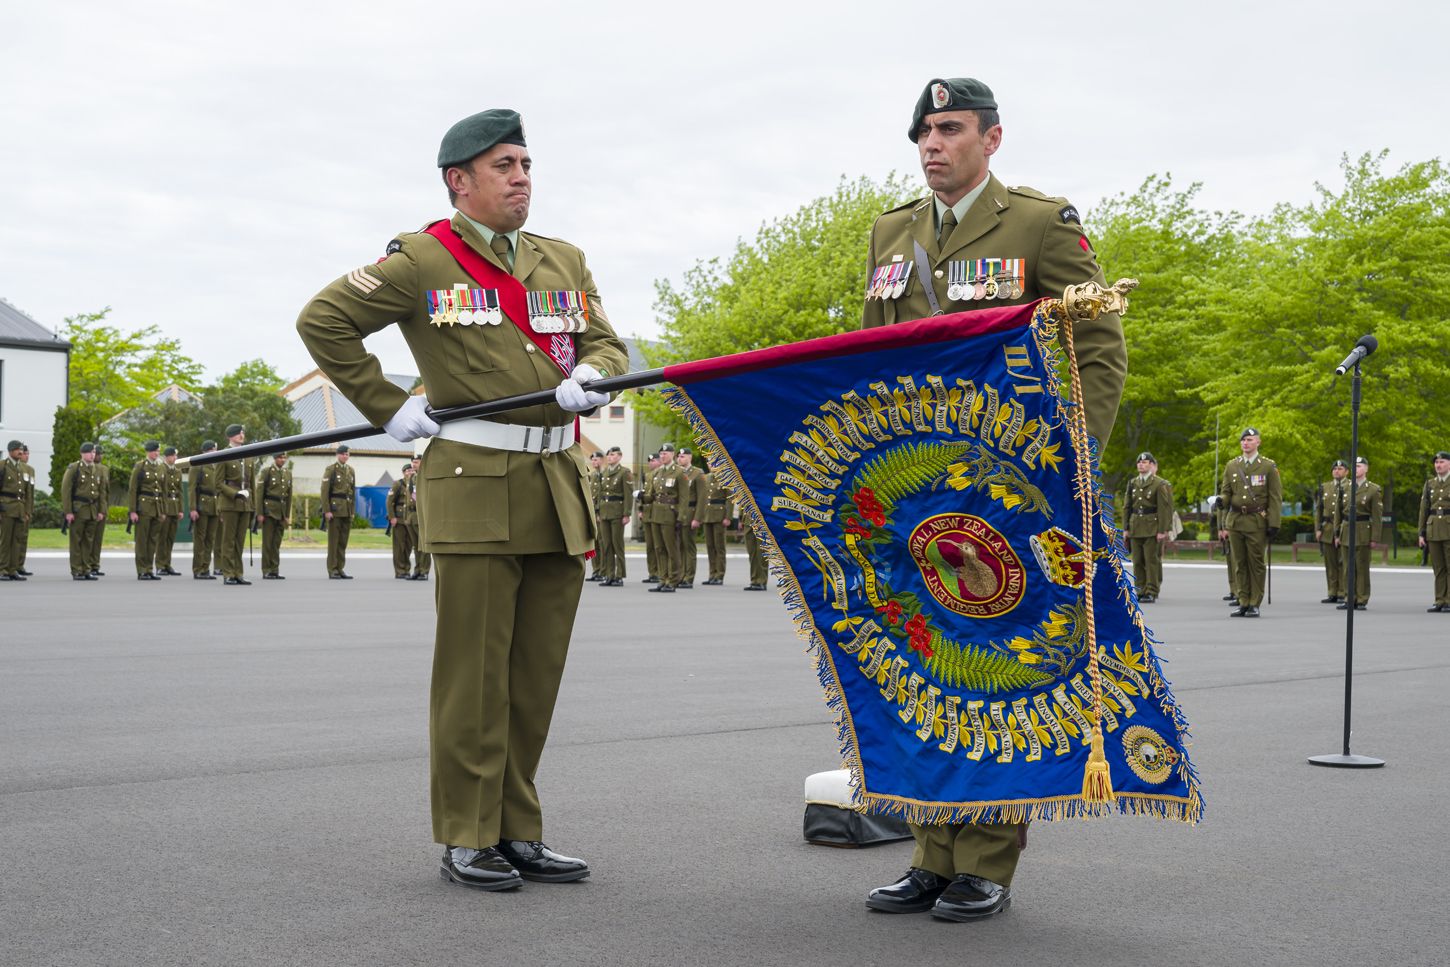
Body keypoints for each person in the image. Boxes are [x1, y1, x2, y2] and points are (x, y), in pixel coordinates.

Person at [295, 108, 628, 890]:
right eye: (504, 165)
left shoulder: (562, 258)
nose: (521, 178)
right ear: (460, 180)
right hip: (475, 483)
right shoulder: (422, 259)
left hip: (556, 483)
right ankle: (468, 833)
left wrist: (595, 374)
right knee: (474, 679)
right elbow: (324, 320)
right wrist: (385, 404)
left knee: (533, 678)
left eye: (526, 164)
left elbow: (605, 341)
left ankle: (517, 828)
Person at [859, 77, 1127, 924]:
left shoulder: (1040, 224)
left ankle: (984, 862)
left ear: (992, 138)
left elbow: (1099, 348)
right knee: (923, 667)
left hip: (1010, 491)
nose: (931, 145)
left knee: (994, 671)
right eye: (923, 133)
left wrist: (1070, 463)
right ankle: (930, 851)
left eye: (949, 129)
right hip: (913, 488)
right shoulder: (890, 231)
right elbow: (871, 354)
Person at [1218, 428, 1281, 618]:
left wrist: (1274, 523)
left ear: (1258, 442)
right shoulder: (1232, 465)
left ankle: (1254, 603)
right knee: (1239, 563)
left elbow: (1275, 497)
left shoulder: (1268, 466)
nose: (1246, 443)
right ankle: (1243, 601)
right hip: (1235, 521)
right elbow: (1226, 491)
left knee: (1256, 563)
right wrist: (1221, 500)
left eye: (1250, 440)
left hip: (1256, 521)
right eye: (1243, 440)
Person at [1122, 452, 1172, 603]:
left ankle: (1151, 590)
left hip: (1152, 527)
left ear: (1151, 465)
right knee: (1137, 560)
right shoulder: (1133, 483)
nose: (1141, 465)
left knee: (1151, 560)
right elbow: (1127, 507)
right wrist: (1126, 528)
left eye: (1144, 462)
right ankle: (1140, 590)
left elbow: (1163, 508)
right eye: (1139, 462)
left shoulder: (1159, 483)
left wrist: (1162, 530)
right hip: (1135, 526)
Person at [1333, 456, 1381, 611]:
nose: (1356, 469)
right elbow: (1338, 513)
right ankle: (1349, 598)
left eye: (1359, 466)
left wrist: (1375, 538)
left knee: (1361, 567)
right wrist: (1336, 534)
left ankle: (1361, 599)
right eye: (1354, 466)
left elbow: (1377, 516)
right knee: (1347, 568)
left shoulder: (1373, 489)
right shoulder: (1344, 487)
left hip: (1363, 530)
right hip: (1346, 530)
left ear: (1366, 469)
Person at [643, 443, 685, 592]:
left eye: (665, 454)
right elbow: (651, 496)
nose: (662, 456)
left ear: (672, 455)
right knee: (659, 548)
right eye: (661, 454)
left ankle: (672, 581)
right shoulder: (657, 472)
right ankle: (663, 579)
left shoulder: (679, 472)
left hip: (669, 514)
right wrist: (642, 496)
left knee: (671, 549)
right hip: (655, 514)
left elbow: (684, 498)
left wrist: (681, 518)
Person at [216, 424, 254, 586]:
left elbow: (252, 483)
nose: (241, 435)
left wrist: (253, 505)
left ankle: (238, 573)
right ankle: (228, 574)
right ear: (229, 437)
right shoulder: (223, 455)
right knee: (228, 541)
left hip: (245, 504)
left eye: (242, 433)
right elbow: (218, 483)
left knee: (240, 541)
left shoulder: (249, 455)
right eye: (238, 433)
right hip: (230, 503)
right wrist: (235, 493)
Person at [62, 443, 105, 580]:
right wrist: (68, 511)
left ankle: (87, 569)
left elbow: (101, 492)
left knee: (88, 542)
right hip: (79, 510)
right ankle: (77, 570)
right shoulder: (74, 468)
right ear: (82, 453)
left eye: (93, 452)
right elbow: (66, 490)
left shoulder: (97, 469)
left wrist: (101, 510)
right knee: (76, 541)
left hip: (93, 509)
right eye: (89, 452)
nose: (92, 455)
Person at [126, 440, 168, 580]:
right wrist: (133, 511)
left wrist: (163, 510)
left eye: (158, 451)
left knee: (153, 540)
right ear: (147, 452)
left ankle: (149, 569)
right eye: (154, 451)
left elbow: (164, 490)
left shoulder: (161, 467)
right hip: (144, 508)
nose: (156, 453)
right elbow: (132, 489)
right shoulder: (140, 466)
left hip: (157, 507)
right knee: (142, 540)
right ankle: (142, 570)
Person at [595, 446, 632, 587]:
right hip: (605, 512)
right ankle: (609, 575)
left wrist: (627, 514)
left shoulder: (624, 472)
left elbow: (628, 494)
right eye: (608, 455)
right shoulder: (604, 472)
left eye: (613, 455)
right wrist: (598, 512)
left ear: (619, 457)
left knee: (617, 545)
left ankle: (619, 575)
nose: (609, 457)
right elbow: (600, 493)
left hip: (617, 512)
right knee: (606, 545)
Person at [1420, 450, 1450, 612]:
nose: (1438, 465)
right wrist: (1421, 533)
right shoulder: (1430, 484)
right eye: (1436, 463)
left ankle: (1449, 600)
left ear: (1449, 464)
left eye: (1442, 462)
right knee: (1438, 567)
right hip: (1433, 529)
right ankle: (1439, 600)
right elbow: (1423, 510)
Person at [1316, 460, 1349, 604]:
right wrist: (1318, 528)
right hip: (1327, 528)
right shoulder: (1325, 487)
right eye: (1334, 469)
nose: (1336, 471)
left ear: (1346, 472)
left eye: (1340, 468)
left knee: (1342, 563)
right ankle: (1332, 592)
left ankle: (1342, 592)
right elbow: (1319, 509)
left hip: (1343, 528)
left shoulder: (1351, 486)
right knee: (1330, 564)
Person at [320, 445, 355, 579]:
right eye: (343, 454)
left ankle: (340, 569)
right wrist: (326, 510)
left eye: (347, 454)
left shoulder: (350, 470)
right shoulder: (331, 469)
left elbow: (352, 492)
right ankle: (332, 569)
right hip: (335, 510)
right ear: (337, 455)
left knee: (343, 542)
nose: (345, 456)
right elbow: (324, 491)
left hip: (347, 509)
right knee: (334, 542)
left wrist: (352, 510)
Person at [695, 455, 730, 585]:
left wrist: (728, 517)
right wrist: (700, 516)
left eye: (714, 463)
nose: (711, 465)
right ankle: (712, 574)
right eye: (709, 463)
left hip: (719, 515)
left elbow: (730, 500)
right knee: (710, 546)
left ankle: (719, 575)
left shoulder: (725, 478)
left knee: (719, 546)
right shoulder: (706, 478)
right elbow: (702, 498)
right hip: (707, 514)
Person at [189, 441, 221, 579]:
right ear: (204, 451)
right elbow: (191, 488)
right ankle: (198, 569)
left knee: (210, 539)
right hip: (202, 506)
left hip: (215, 506)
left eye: (215, 449)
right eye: (211, 449)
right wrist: (193, 508)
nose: (214, 451)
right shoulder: (198, 466)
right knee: (200, 539)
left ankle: (206, 568)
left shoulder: (217, 466)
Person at [257, 451, 292, 579]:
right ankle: (266, 570)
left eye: (284, 457)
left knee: (276, 543)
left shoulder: (287, 473)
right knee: (268, 543)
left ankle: (275, 569)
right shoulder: (267, 472)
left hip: (281, 511)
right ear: (274, 458)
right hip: (269, 511)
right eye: (280, 457)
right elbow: (259, 493)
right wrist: (260, 513)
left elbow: (289, 495)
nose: (283, 460)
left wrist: (287, 514)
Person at [675, 446, 703, 588]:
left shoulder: (697, 473)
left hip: (690, 513)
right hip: (678, 513)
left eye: (682, 457)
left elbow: (702, 498)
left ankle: (688, 577)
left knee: (688, 547)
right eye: (678, 457)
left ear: (689, 458)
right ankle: (680, 576)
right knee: (679, 547)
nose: (679, 459)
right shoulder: (676, 472)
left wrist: (697, 518)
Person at [0, 440, 28, 580]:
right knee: (5, 540)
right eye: (18, 449)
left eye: (21, 449)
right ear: (10, 451)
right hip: (6, 507)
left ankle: (13, 569)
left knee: (17, 540)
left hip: (20, 507)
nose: (21, 452)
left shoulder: (23, 467)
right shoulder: (2, 465)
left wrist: (27, 511)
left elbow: (27, 491)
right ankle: (3, 570)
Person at [156, 446, 184, 575]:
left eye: (176, 456)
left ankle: (167, 564)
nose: (175, 458)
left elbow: (180, 491)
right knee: (162, 538)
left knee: (170, 538)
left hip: (175, 506)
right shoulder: (161, 468)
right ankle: (160, 565)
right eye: (173, 456)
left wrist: (181, 509)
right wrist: (162, 509)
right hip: (165, 506)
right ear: (166, 457)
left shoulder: (177, 470)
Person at [387, 463, 415, 579]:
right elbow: (389, 501)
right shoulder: (398, 484)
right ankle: (399, 570)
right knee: (399, 547)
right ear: (403, 472)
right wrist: (392, 517)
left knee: (408, 546)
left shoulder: (414, 484)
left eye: (412, 471)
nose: (410, 473)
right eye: (408, 471)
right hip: (398, 519)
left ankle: (407, 570)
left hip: (409, 519)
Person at [87, 444, 110, 577]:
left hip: (102, 508)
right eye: (97, 454)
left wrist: (105, 508)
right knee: (89, 538)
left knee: (98, 539)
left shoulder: (104, 470)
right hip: (91, 508)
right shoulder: (89, 469)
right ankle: (88, 565)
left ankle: (95, 565)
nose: (99, 456)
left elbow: (106, 492)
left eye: (101, 454)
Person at [406, 455, 430, 580]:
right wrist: (406, 516)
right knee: (415, 546)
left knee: (423, 545)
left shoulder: (425, 476)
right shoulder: (412, 478)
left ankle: (424, 571)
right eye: (413, 462)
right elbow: (408, 499)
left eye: (416, 462)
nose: (414, 464)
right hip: (411, 516)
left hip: (421, 515)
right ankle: (418, 570)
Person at [640, 452, 661, 583]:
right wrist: (640, 509)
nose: (651, 463)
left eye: (653, 461)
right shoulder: (647, 476)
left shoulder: (661, 475)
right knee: (650, 546)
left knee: (658, 545)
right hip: (647, 512)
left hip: (657, 512)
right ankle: (652, 572)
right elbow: (644, 493)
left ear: (659, 462)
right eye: (650, 461)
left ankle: (660, 572)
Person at [586, 451, 605, 581]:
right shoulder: (592, 476)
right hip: (593, 512)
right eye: (592, 460)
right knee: (595, 543)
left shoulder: (605, 475)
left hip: (601, 512)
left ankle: (603, 570)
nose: (594, 462)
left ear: (602, 461)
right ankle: (596, 570)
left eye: (596, 460)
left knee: (603, 543)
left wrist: (599, 513)